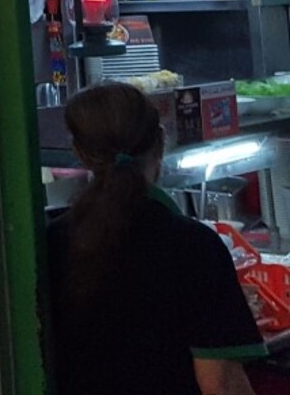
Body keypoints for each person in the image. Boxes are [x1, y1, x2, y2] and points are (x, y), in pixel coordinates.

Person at [48, 81, 264, 395]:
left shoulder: (52, 240)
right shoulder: (195, 246)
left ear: (80, 154)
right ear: (160, 144)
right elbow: (222, 384)